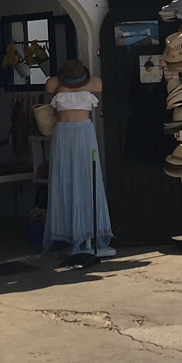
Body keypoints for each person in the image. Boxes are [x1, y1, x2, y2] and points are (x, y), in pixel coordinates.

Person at [43, 58, 114, 256]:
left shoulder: (94, 83)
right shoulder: (54, 83)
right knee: (64, 178)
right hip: (64, 133)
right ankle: (69, 233)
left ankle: (91, 234)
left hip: (84, 132)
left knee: (88, 178)